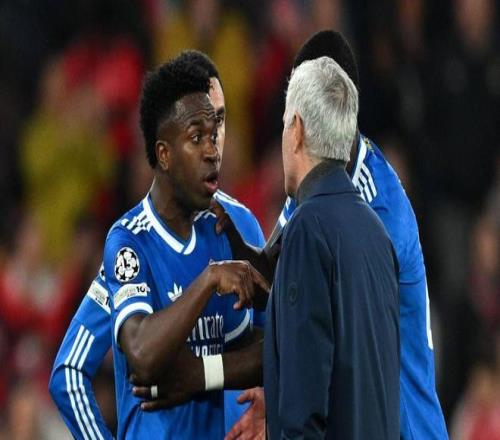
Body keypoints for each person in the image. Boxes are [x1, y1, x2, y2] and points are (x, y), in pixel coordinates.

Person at [48, 51, 267, 439]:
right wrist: (209, 280)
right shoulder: (129, 243)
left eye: (217, 126)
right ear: (164, 153)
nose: (214, 149)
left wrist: (213, 379)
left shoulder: (235, 227)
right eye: (197, 136)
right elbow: (87, 367)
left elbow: (275, 346)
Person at [264, 56, 400, 439]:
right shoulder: (376, 232)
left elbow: (303, 407)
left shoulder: (307, 229)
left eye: (284, 124)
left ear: (296, 130)